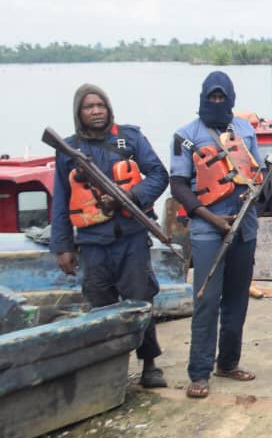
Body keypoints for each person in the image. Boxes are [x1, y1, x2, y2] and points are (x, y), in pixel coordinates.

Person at [50, 83, 170, 388]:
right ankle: (107, 370)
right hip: (91, 243)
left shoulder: (129, 138)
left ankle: (149, 363)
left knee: (140, 298)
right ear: (79, 112)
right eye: (88, 107)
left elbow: (158, 174)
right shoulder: (68, 150)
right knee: (100, 304)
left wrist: (128, 195)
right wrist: (63, 246)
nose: (95, 111)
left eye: (100, 105)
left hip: (130, 238)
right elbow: (61, 202)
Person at [170, 71, 263, 398]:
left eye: (223, 98)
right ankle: (199, 371)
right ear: (203, 98)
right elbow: (178, 184)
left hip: (244, 227)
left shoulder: (245, 129)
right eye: (212, 97)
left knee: (237, 299)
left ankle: (228, 362)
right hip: (208, 230)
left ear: (232, 99)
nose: (217, 102)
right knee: (207, 300)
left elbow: (259, 171)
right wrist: (210, 217)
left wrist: (251, 198)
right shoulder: (185, 135)